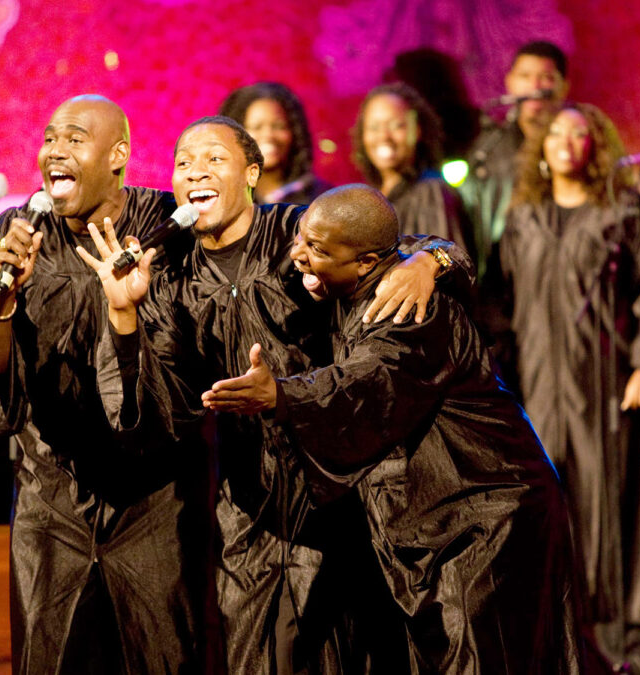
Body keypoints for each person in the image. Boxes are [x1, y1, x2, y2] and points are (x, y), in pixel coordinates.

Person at [77, 115, 466, 674]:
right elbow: (149, 413)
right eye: (183, 162)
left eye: (213, 158)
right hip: (251, 510)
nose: (194, 172)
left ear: (253, 173)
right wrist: (122, 310)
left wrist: (431, 261)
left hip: (345, 493)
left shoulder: (298, 232)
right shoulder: (171, 274)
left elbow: (404, 247)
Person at [197, 184, 582, 673]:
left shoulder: (410, 309)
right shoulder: (366, 267)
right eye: (300, 238)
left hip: (485, 515)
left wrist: (281, 396)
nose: (298, 254)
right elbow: (424, 243)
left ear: (365, 262)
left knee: (481, 659)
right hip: (437, 516)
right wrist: (432, 259)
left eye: (317, 250)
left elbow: (367, 381)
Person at [0, 94, 208, 673]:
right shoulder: (14, 237)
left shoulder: (169, 229)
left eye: (73, 139)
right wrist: (3, 298)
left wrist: (434, 256)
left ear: (118, 155)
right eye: (49, 139)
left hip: (154, 501)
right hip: (51, 502)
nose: (54, 151)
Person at [499, 102, 640, 673]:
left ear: (596, 146)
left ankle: (633, 653)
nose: (568, 143)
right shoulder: (522, 219)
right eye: (557, 134)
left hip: (610, 391)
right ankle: (567, 652)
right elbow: (503, 308)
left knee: (619, 514)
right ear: (542, 151)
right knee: (552, 517)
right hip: (539, 397)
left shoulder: (624, 211)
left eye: (581, 134)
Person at [459, 40, 570, 276]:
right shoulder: (490, 147)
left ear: (563, 86)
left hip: (562, 268)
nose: (535, 86)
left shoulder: (573, 145)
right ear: (509, 82)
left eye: (546, 77)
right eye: (525, 76)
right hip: (502, 274)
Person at [351, 82, 473, 258]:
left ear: (416, 130)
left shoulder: (431, 191)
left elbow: (445, 264)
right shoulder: (373, 197)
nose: (384, 136)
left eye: (396, 125)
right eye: (374, 127)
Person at [219, 82, 332, 205]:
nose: (268, 135)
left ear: (295, 132)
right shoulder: (221, 200)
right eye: (256, 127)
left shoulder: (322, 199)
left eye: (279, 126)